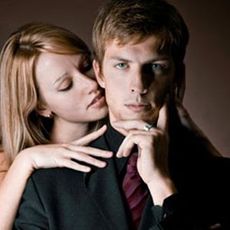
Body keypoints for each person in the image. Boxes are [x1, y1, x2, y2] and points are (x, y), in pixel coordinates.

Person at [13, 0, 230, 229]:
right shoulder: (48, 183)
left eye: (156, 66)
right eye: (121, 65)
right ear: (99, 73)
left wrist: (161, 183)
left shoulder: (217, 177)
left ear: (177, 77)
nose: (138, 85)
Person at [0, 22, 114, 230]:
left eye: (86, 67)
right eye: (66, 85)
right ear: (41, 106)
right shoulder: (7, 166)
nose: (91, 85)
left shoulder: (127, 138)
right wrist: (25, 161)